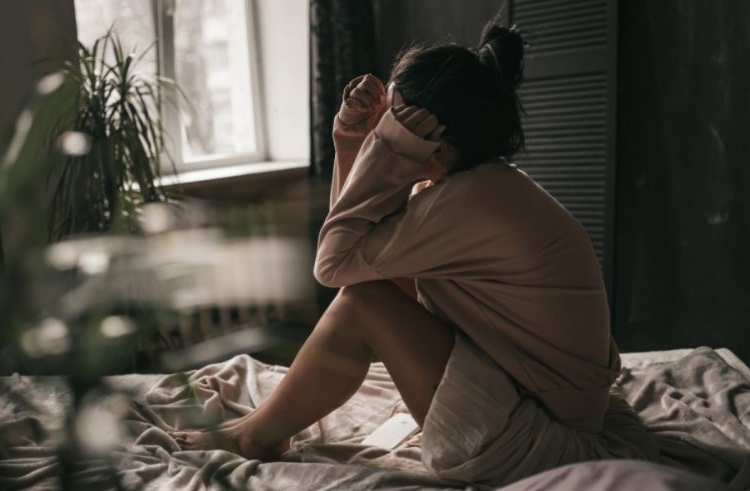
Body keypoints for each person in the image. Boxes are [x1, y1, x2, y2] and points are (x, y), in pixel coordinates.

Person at [173, 22, 656, 485]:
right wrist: (353, 142)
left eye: (393, 115)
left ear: (430, 139)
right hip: (536, 402)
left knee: (364, 305)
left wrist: (380, 149)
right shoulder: (473, 185)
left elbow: (334, 266)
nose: (384, 121)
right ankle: (262, 427)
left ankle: (255, 436)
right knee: (373, 289)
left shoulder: (471, 203)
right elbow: (363, 257)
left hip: (539, 441)